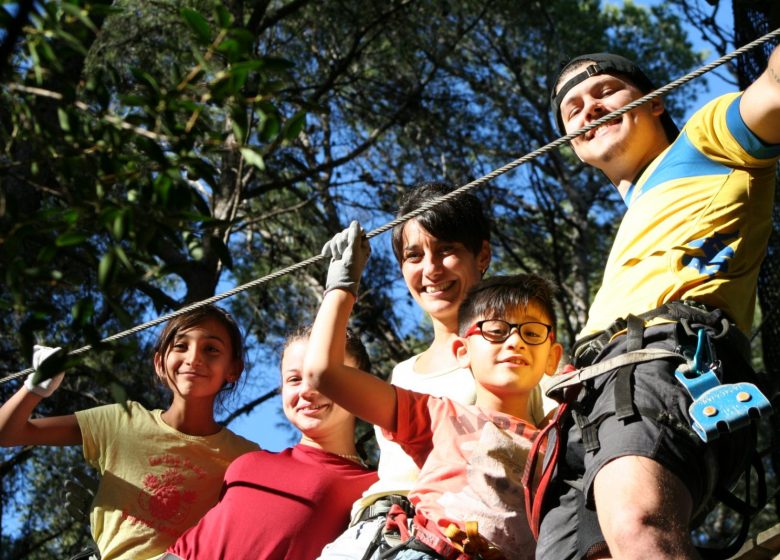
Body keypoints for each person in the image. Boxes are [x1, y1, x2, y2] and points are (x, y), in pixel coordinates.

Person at [536, 47, 780, 560]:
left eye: (605, 92)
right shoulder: (636, 218)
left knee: (637, 522)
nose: (589, 109)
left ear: (655, 104)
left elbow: (773, 88)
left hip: (668, 362)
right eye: (572, 109)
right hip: (593, 396)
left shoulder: (706, 139)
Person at [304, 220, 563, 559]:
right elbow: (324, 373)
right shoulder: (439, 413)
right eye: (496, 331)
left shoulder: (556, 443)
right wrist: (341, 284)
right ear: (463, 352)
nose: (514, 341)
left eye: (530, 333)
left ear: (552, 357)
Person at [0, 304, 259, 560]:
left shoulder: (245, 458)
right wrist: (35, 387)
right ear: (159, 362)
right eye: (181, 346)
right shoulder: (121, 421)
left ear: (233, 369)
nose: (194, 358)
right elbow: (8, 434)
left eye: (211, 349)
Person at [165, 325, 378, 559]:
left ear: (362, 383)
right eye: (294, 379)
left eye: (325, 376)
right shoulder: (248, 462)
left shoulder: (374, 489)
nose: (307, 390)